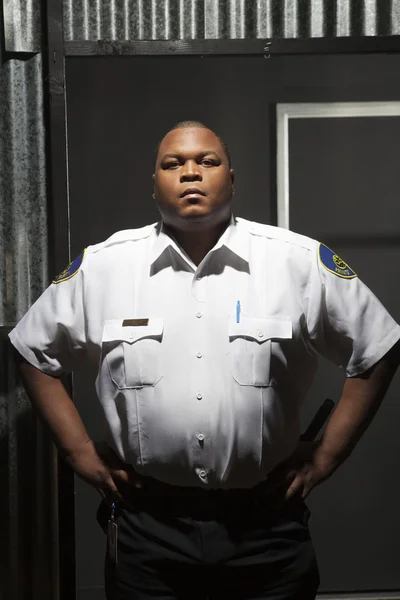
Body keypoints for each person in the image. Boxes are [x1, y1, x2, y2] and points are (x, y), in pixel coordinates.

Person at [9, 120, 400, 600]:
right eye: (173, 164)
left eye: (207, 161)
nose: (190, 172)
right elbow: (31, 349)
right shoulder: (105, 266)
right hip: (149, 528)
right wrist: (78, 454)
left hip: (266, 529)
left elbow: (379, 346)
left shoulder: (294, 262)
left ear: (231, 178)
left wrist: (328, 455)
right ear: (154, 184)